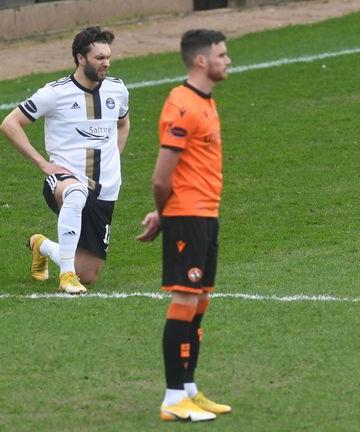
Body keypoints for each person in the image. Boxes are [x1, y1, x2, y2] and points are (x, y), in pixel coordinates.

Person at [136, 29, 232, 422]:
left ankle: (189, 388)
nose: (228, 61)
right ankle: (173, 398)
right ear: (200, 61)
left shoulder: (205, 102)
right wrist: (165, 213)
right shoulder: (182, 105)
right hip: (188, 215)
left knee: (201, 300)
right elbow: (161, 178)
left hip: (205, 214)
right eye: (222, 55)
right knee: (184, 301)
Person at [0, 26, 130, 295]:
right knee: (75, 191)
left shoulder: (117, 89)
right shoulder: (55, 93)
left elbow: (123, 124)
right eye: (99, 58)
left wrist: (114, 158)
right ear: (81, 58)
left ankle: (42, 246)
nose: (106, 63)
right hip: (62, 181)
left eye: (108, 57)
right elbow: (10, 123)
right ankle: (66, 276)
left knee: (90, 274)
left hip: (105, 190)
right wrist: (43, 164)